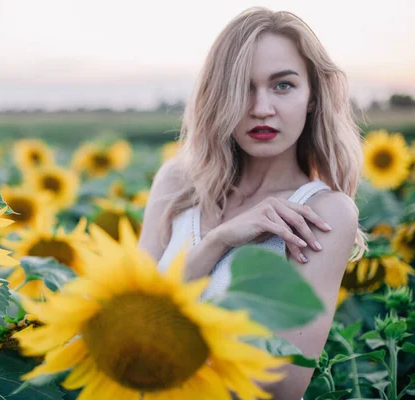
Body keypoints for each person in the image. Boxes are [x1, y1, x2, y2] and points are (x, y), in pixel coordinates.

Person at [138, 7, 367, 400]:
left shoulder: (323, 214)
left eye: (283, 86)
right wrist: (216, 243)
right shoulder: (177, 185)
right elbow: (123, 320)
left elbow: (281, 385)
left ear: (313, 97)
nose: (261, 108)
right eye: (243, 86)